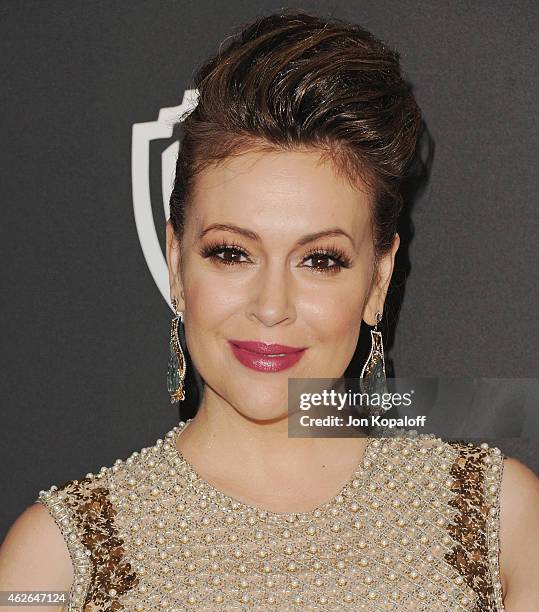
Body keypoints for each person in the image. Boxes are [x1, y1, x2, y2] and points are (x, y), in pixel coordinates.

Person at [1, 9, 538, 611]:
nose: (271, 306)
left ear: (378, 279)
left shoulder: (499, 524)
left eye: (321, 260)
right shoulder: (56, 560)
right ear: (177, 262)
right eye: (232, 253)